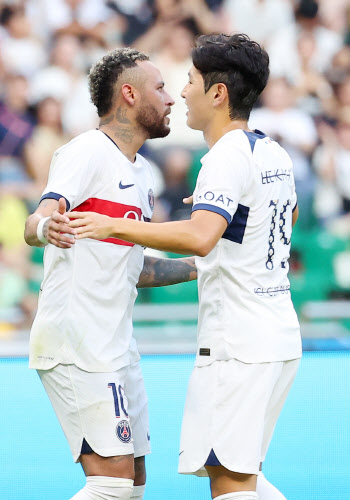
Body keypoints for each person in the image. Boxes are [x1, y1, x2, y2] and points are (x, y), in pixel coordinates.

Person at [68, 34, 302, 500]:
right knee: (244, 476)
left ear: (218, 93)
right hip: (277, 337)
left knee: (231, 485)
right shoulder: (272, 151)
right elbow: (286, 216)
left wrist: (111, 224)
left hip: (238, 344)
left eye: (191, 80)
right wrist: (228, 217)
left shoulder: (224, 156)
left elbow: (198, 237)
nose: (181, 92)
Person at [24, 47, 198, 500]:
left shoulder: (143, 176)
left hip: (118, 346)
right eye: (159, 88)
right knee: (111, 486)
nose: (171, 98)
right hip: (77, 341)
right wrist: (47, 227)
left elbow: (135, 268)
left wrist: (204, 266)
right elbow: (35, 222)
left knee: (133, 485)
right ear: (129, 94)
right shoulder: (85, 152)